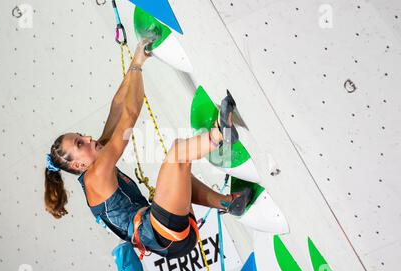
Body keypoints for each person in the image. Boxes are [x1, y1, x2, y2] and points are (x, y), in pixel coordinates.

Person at [44, 40, 252, 259]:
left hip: (169, 234)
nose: (87, 138)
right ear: (78, 165)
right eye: (80, 144)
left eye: (80, 136)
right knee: (178, 154)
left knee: (178, 176)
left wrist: (136, 59)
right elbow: (130, 113)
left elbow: (117, 106)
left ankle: (229, 203)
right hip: (163, 233)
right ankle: (220, 134)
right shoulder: (95, 176)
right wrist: (138, 64)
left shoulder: (97, 159)